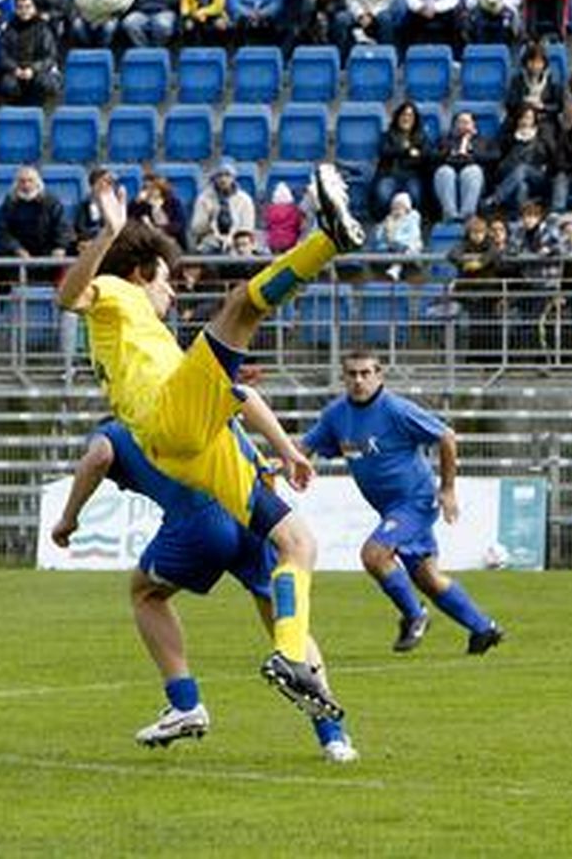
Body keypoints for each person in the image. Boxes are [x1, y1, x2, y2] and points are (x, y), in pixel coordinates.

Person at [56, 163, 364, 724]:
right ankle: (328, 240)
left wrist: (288, 451)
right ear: (144, 271)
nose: (172, 290)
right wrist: (108, 233)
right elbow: (70, 296)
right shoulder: (118, 293)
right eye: (167, 280)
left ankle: (291, 656)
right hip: (168, 418)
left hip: (190, 446)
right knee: (240, 306)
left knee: (298, 543)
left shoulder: (152, 340)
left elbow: (235, 398)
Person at [52, 414, 358, 763]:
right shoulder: (190, 402)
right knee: (286, 622)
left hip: (200, 522)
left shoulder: (112, 431)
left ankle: (185, 704)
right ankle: (334, 739)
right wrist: (285, 453)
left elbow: (99, 457)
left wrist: (69, 517)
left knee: (145, 594)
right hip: (248, 508)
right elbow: (240, 404)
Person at [302, 350, 505, 654]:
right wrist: (279, 465)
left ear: (379, 375)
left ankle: (415, 615)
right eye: (352, 374)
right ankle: (484, 629)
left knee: (374, 555)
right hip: (391, 509)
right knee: (428, 579)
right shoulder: (336, 415)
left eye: (366, 373)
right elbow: (305, 447)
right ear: (343, 377)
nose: (359, 380)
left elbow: (446, 437)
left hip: (416, 502)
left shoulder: (396, 410)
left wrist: (448, 489)